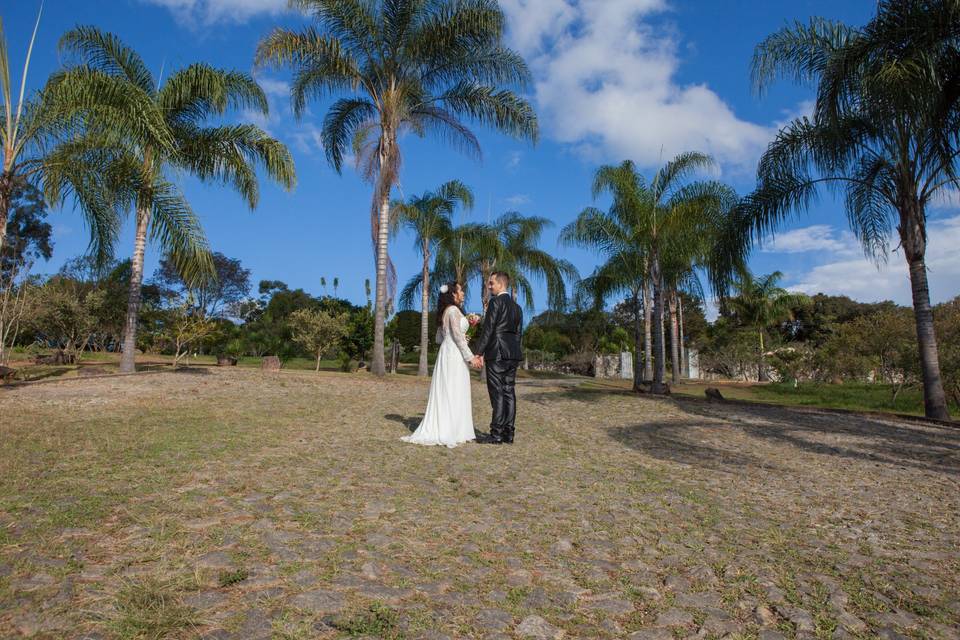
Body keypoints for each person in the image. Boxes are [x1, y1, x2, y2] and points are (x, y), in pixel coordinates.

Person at [401, 282, 479, 447]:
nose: (463, 293)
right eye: (460, 290)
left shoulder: (445, 311)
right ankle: (453, 430)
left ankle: (454, 428)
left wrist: (462, 334)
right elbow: (457, 337)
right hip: (454, 355)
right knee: (453, 389)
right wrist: (470, 357)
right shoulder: (452, 310)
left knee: (448, 389)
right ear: (453, 294)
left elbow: (439, 338)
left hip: (446, 353)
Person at [471, 271, 523, 444]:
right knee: (509, 391)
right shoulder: (517, 308)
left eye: (491, 283)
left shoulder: (495, 302)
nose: (489, 286)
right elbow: (518, 335)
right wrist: (515, 351)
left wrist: (478, 352)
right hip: (513, 353)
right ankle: (509, 434)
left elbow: (489, 329)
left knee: (497, 393)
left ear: (501, 284)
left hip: (497, 352)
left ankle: (496, 433)